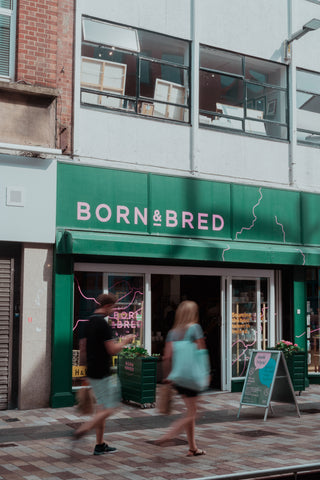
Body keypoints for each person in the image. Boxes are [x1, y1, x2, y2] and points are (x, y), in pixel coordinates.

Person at [75, 293, 135, 455]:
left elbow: (83, 347)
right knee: (112, 407)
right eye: (114, 307)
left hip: (93, 371)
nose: (114, 310)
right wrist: (125, 340)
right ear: (108, 306)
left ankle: (100, 444)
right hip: (103, 372)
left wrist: (84, 372)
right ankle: (84, 428)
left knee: (101, 408)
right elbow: (112, 350)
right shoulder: (103, 324)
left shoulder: (89, 322)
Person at [155, 300, 207, 457]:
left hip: (178, 377)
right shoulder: (195, 329)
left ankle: (193, 448)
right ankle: (168, 435)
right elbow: (201, 352)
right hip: (192, 376)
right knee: (193, 413)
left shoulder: (172, 333)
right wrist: (206, 372)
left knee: (190, 410)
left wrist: (167, 376)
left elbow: (166, 357)